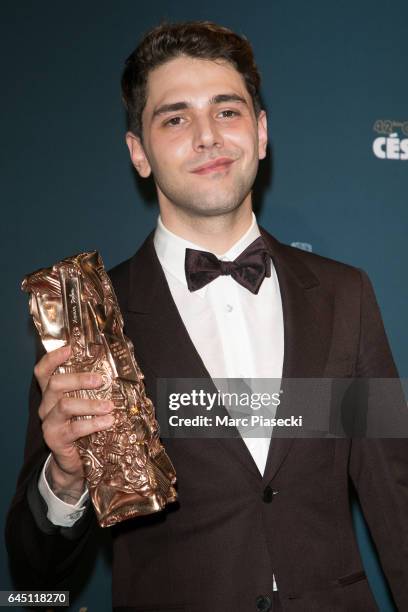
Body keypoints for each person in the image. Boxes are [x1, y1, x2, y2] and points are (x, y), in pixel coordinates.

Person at [6, 21, 407, 612]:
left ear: (261, 132)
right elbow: (37, 574)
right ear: (138, 153)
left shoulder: (346, 294)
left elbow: (397, 495)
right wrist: (65, 479)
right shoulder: (86, 317)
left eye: (227, 111)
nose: (206, 137)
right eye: (174, 118)